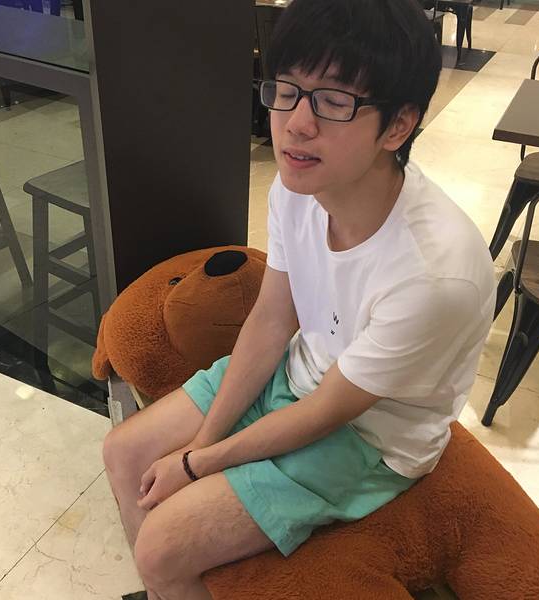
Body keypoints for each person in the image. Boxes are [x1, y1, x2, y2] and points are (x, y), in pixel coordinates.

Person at [102, 1, 496, 598]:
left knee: (161, 544)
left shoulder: (435, 275)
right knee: (123, 452)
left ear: (398, 126)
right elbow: (270, 319)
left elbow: (328, 412)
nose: (295, 124)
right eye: (287, 91)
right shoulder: (297, 187)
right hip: (299, 372)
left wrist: (195, 463)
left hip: (371, 436)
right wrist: (204, 443)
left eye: (333, 101)